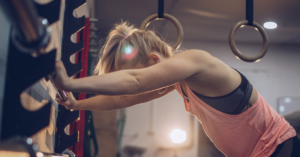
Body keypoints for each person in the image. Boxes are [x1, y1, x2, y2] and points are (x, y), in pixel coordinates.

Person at [54, 22, 299, 157]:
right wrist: (77, 104)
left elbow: (136, 82)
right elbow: (124, 97)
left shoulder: (195, 61)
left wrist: (70, 83)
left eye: (138, 71)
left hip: (282, 149)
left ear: (154, 61)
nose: (140, 78)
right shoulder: (177, 82)